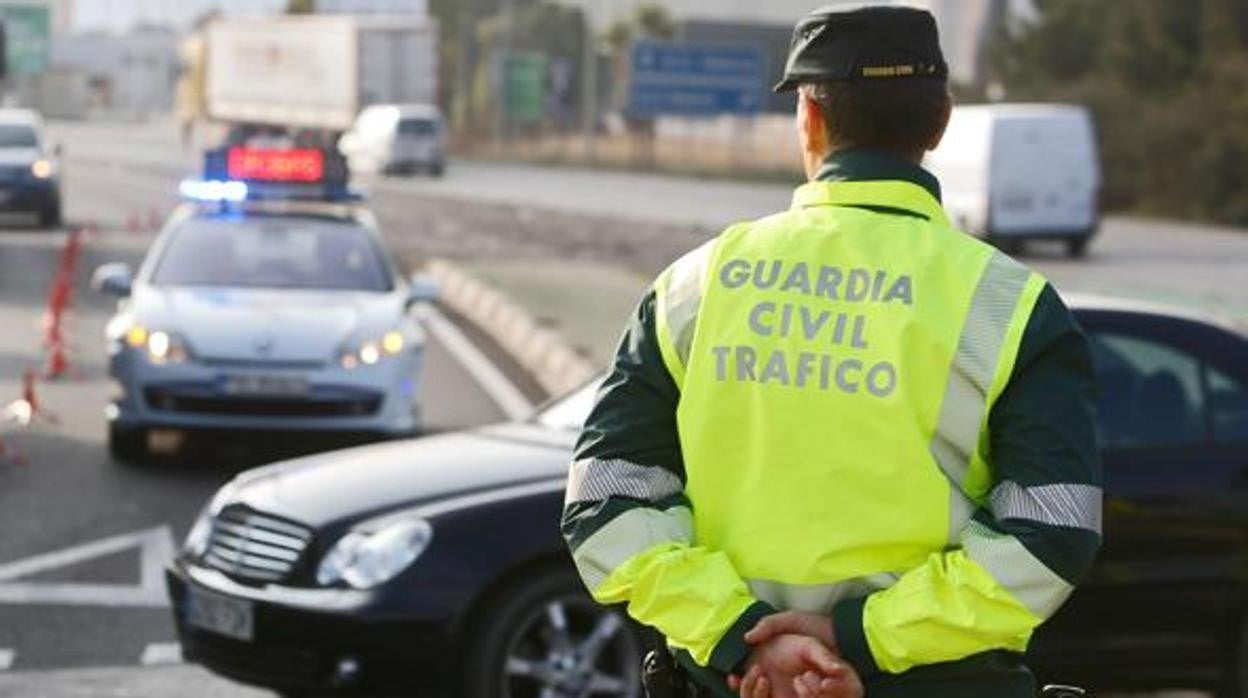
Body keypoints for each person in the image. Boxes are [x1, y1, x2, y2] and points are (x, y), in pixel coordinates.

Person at [561, 5, 1102, 698]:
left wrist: (742, 636)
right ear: (939, 123)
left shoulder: (695, 286)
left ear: (809, 119)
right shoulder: (1011, 304)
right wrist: (862, 637)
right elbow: (1050, 538)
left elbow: (605, 506)